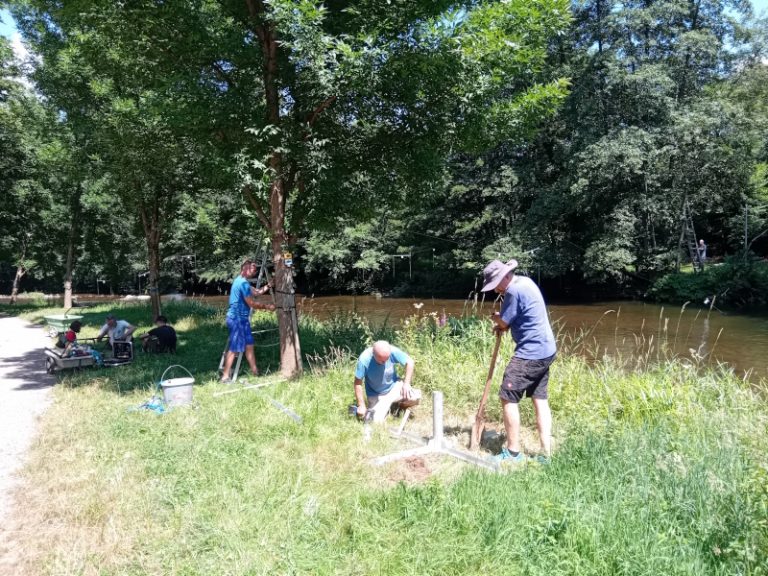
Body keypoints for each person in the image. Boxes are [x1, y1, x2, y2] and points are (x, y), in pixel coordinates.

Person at [481, 259, 557, 464]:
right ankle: (546, 452)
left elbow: (505, 321)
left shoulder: (513, 291)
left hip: (531, 352)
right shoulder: (525, 281)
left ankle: (513, 453)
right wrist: (503, 321)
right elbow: (516, 317)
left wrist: (496, 319)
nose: (496, 289)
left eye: (496, 283)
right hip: (547, 349)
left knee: (507, 395)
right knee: (539, 399)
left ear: (505, 276)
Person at [221, 259, 275, 383]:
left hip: (243, 320)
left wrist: (269, 285)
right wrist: (267, 307)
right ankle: (225, 376)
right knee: (234, 348)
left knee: (249, 346)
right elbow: (252, 303)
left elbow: (257, 292)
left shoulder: (241, 281)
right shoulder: (243, 284)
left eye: (256, 269)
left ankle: (255, 373)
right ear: (245, 268)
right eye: (253, 269)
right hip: (236, 319)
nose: (255, 271)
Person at [353, 340, 416, 423]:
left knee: (414, 397)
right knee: (374, 421)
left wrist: (406, 383)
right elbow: (357, 383)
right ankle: (386, 407)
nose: (385, 362)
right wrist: (361, 405)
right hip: (376, 394)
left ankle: (398, 407)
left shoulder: (391, 351)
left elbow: (410, 362)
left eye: (387, 359)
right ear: (374, 355)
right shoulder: (364, 359)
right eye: (382, 361)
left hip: (394, 388)